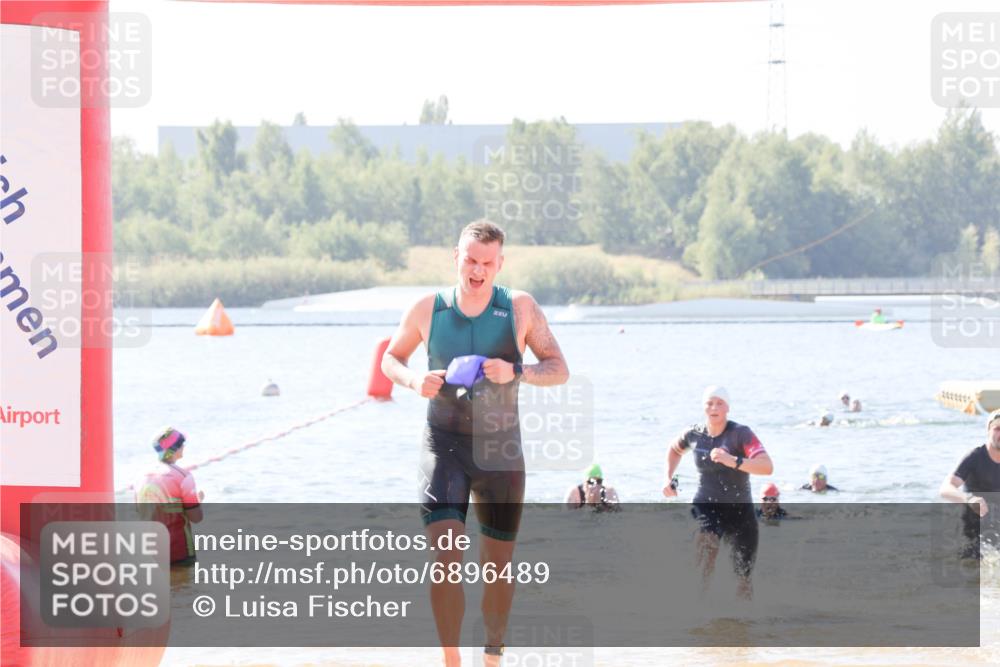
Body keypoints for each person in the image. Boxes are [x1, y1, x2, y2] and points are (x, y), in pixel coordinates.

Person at [381, 219, 570, 667]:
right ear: (456, 257)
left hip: (501, 451)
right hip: (443, 445)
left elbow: (559, 368)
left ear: (500, 263)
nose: (478, 270)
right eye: (471, 260)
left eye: (488, 262)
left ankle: (492, 657)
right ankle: (451, 661)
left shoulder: (520, 308)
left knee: (497, 566)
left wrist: (517, 371)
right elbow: (391, 356)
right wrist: (412, 379)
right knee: (446, 555)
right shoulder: (428, 309)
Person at [662, 385, 774, 600]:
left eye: (719, 403)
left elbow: (767, 466)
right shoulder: (693, 434)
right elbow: (674, 450)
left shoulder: (741, 434)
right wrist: (668, 477)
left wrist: (734, 461)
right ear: (704, 407)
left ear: (727, 408)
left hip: (740, 512)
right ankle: (696, 605)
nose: (714, 407)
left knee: (743, 580)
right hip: (706, 505)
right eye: (709, 403)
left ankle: (741, 627)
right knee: (706, 546)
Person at [135, 427, 204, 565]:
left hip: (149, 552)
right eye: (181, 443)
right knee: (183, 585)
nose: (184, 446)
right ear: (175, 448)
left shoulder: (140, 476)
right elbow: (196, 517)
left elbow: (140, 511)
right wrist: (198, 501)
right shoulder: (184, 476)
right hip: (178, 551)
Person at [939, 409, 1000, 559]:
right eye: (997, 428)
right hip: (972, 529)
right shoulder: (974, 457)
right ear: (988, 430)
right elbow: (945, 489)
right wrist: (969, 499)